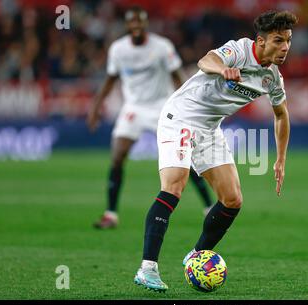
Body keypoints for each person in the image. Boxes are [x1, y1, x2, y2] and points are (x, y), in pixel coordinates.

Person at [133, 10, 297, 291]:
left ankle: (195, 256)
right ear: (260, 41)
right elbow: (205, 60)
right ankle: (147, 268)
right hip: (181, 116)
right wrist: (224, 69)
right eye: (278, 40)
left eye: (288, 41)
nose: (284, 48)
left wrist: (280, 158)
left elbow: (281, 115)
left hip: (209, 128)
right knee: (174, 187)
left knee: (232, 199)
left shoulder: (272, 78)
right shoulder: (240, 49)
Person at [86, 6, 213, 229]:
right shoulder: (118, 49)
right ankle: (111, 214)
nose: (136, 26)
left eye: (140, 22)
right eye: (132, 22)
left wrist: (188, 105)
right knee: (117, 156)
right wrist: (96, 107)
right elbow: (110, 79)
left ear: (145, 24)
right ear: (127, 25)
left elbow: (178, 77)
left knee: (183, 159)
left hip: (162, 107)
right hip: (133, 108)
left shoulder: (162, 47)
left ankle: (209, 207)